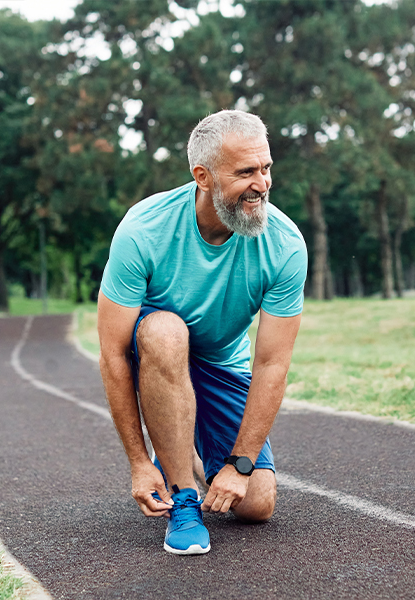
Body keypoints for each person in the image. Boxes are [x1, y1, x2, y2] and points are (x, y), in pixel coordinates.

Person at [97, 110, 307, 555]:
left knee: (256, 505)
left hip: (218, 361)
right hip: (152, 350)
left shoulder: (285, 244)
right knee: (167, 331)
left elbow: (272, 363)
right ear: (203, 176)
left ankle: (184, 448)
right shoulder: (143, 229)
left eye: (266, 168)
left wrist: (240, 464)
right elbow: (113, 352)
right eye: (246, 172)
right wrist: (137, 462)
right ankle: (184, 500)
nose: (262, 183)